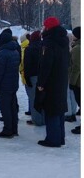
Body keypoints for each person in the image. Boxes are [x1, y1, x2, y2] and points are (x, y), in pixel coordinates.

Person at [34, 17, 69, 147]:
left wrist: (41, 83)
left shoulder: (48, 43)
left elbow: (45, 65)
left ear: (48, 27)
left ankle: (53, 139)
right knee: (59, 110)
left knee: (51, 110)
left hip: (51, 81)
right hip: (61, 79)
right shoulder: (63, 41)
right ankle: (60, 137)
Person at [0, 30, 21, 138]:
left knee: (5, 108)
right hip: (13, 83)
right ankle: (14, 128)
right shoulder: (15, 51)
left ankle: (8, 129)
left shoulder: (3, 53)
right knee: (12, 107)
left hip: (5, 85)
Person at [23, 31, 44, 126]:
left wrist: (27, 78)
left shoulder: (29, 49)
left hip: (32, 76)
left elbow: (27, 65)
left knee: (33, 99)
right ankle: (43, 119)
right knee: (42, 98)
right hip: (42, 75)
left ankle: (37, 120)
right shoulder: (44, 47)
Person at [69, 26, 81, 134]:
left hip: (78, 82)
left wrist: (72, 82)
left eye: (73, 34)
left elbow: (76, 67)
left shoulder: (77, 48)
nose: (72, 36)